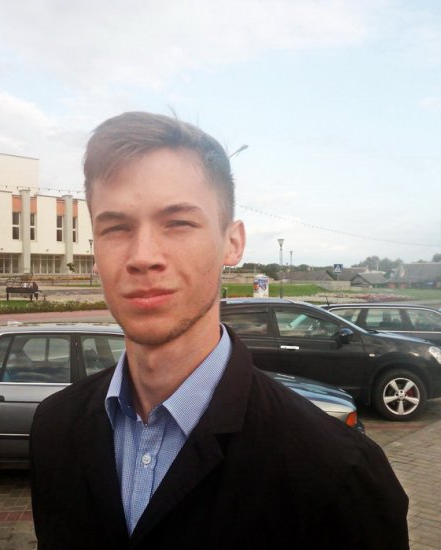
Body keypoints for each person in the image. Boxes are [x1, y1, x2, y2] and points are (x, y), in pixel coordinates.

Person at [30, 112, 409, 549]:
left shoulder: (337, 472)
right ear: (95, 249)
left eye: (178, 223)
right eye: (116, 228)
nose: (143, 256)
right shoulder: (54, 430)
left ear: (233, 242)